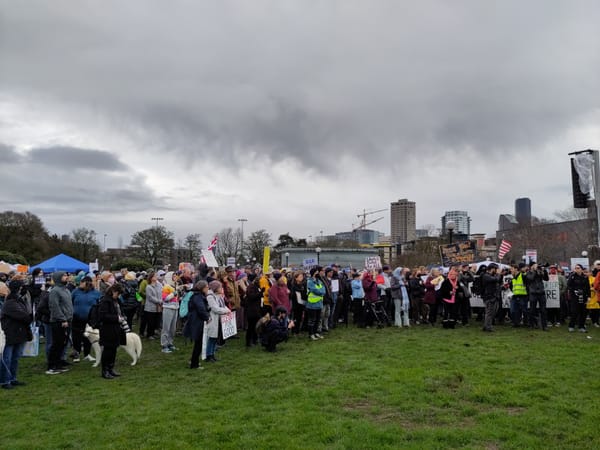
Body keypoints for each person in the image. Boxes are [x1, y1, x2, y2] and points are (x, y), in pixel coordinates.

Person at [0, 278, 33, 389]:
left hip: (19, 333)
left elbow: (27, 314)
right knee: (7, 358)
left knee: (15, 357)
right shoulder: (10, 303)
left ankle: (12, 378)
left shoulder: (18, 300)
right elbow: (24, 316)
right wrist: (28, 316)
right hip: (10, 333)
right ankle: (5, 381)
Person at [98, 284, 127, 379]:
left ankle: (111, 368)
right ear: (113, 291)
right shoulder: (105, 301)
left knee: (114, 349)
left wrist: (122, 316)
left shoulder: (116, 300)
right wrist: (116, 318)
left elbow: (120, 311)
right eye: (118, 294)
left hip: (116, 328)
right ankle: (105, 370)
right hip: (107, 329)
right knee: (108, 350)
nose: (118, 296)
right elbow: (103, 316)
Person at [46, 271, 73, 375]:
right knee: (57, 344)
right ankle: (52, 366)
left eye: (67, 275)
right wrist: (62, 319)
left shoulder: (66, 290)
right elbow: (54, 306)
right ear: (58, 278)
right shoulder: (55, 291)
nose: (67, 277)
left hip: (68, 320)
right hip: (59, 322)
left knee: (63, 344)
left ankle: (59, 364)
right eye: (64, 276)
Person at [70, 276, 100, 362]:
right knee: (76, 337)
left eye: (84, 282)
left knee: (88, 336)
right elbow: (70, 302)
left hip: (90, 319)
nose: (81, 284)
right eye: (82, 282)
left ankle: (87, 354)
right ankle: (76, 354)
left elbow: (99, 304)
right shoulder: (75, 292)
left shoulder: (96, 293)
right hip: (76, 318)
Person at [183, 281, 211, 369]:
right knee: (198, 343)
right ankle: (194, 363)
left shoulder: (197, 296)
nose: (208, 289)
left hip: (197, 320)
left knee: (198, 343)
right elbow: (201, 309)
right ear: (202, 288)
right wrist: (207, 317)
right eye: (207, 287)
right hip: (197, 321)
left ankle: (194, 361)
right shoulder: (198, 297)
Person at [205, 280, 231, 362]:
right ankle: (209, 355)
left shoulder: (218, 296)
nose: (221, 288)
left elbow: (223, 305)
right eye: (220, 287)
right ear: (216, 288)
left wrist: (228, 310)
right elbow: (215, 309)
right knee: (211, 337)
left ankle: (212, 354)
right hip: (212, 319)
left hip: (218, 319)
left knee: (215, 337)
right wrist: (226, 311)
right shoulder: (210, 296)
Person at [525, 262, 549, 330]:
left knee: (543, 310)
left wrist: (544, 271)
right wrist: (535, 271)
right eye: (534, 265)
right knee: (532, 310)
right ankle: (531, 325)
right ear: (531, 266)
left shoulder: (540, 271)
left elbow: (546, 279)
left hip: (541, 293)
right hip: (533, 293)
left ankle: (544, 326)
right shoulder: (529, 272)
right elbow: (531, 278)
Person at [567, 264, 591, 332]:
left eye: (578, 268)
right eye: (576, 268)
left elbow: (588, 287)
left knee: (583, 312)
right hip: (575, 297)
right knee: (574, 312)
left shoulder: (585, 277)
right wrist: (574, 291)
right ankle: (571, 326)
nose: (577, 269)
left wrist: (589, 296)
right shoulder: (572, 276)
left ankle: (581, 327)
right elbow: (569, 285)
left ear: (581, 269)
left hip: (583, 296)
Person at [306, 266, 325, 340]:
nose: (318, 273)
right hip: (312, 304)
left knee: (317, 319)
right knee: (312, 320)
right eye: (317, 272)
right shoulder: (309, 281)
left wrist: (321, 292)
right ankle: (311, 334)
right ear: (313, 273)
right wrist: (321, 292)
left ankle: (316, 332)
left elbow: (323, 290)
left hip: (319, 304)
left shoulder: (319, 281)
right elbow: (315, 290)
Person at [481, 264, 502, 332]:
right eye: (496, 269)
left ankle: (486, 326)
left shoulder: (490, 276)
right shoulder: (486, 276)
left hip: (493, 296)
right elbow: (495, 279)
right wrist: (498, 274)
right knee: (489, 312)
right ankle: (488, 327)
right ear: (492, 269)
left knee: (492, 312)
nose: (496, 271)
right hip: (489, 297)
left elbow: (497, 281)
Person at [143, 272, 162, 339]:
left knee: (156, 321)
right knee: (150, 321)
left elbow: (161, 293)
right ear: (151, 278)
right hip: (150, 307)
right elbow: (150, 297)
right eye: (155, 276)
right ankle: (149, 334)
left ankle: (153, 333)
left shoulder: (159, 285)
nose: (156, 277)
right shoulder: (148, 287)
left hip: (158, 307)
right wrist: (159, 301)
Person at [510, 263, 529, 327]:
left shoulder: (523, 276)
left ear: (516, 269)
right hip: (515, 296)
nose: (511, 270)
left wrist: (528, 295)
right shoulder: (513, 278)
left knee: (524, 310)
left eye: (512, 269)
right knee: (513, 310)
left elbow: (528, 286)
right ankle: (516, 323)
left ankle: (525, 323)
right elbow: (511, 287)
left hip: (523, 296)